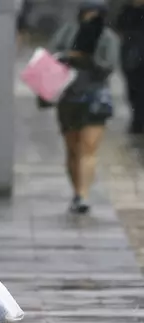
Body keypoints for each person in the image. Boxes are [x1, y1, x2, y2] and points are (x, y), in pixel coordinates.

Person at [47, 0, 119, 214]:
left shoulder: (107, 37)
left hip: (96, 98)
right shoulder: (68, 31)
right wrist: (68, 57)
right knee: (72, 148)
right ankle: (77, 191)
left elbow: (108, 65)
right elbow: (52, 56)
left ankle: (83, 194)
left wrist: (88, 58)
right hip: (69, 97)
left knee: (88, 147)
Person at [115, 0, 144, 135]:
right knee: (132, 90)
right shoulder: (126, 10)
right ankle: (137, 120)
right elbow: (118, 29)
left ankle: (138, 122)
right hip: (130, 53)